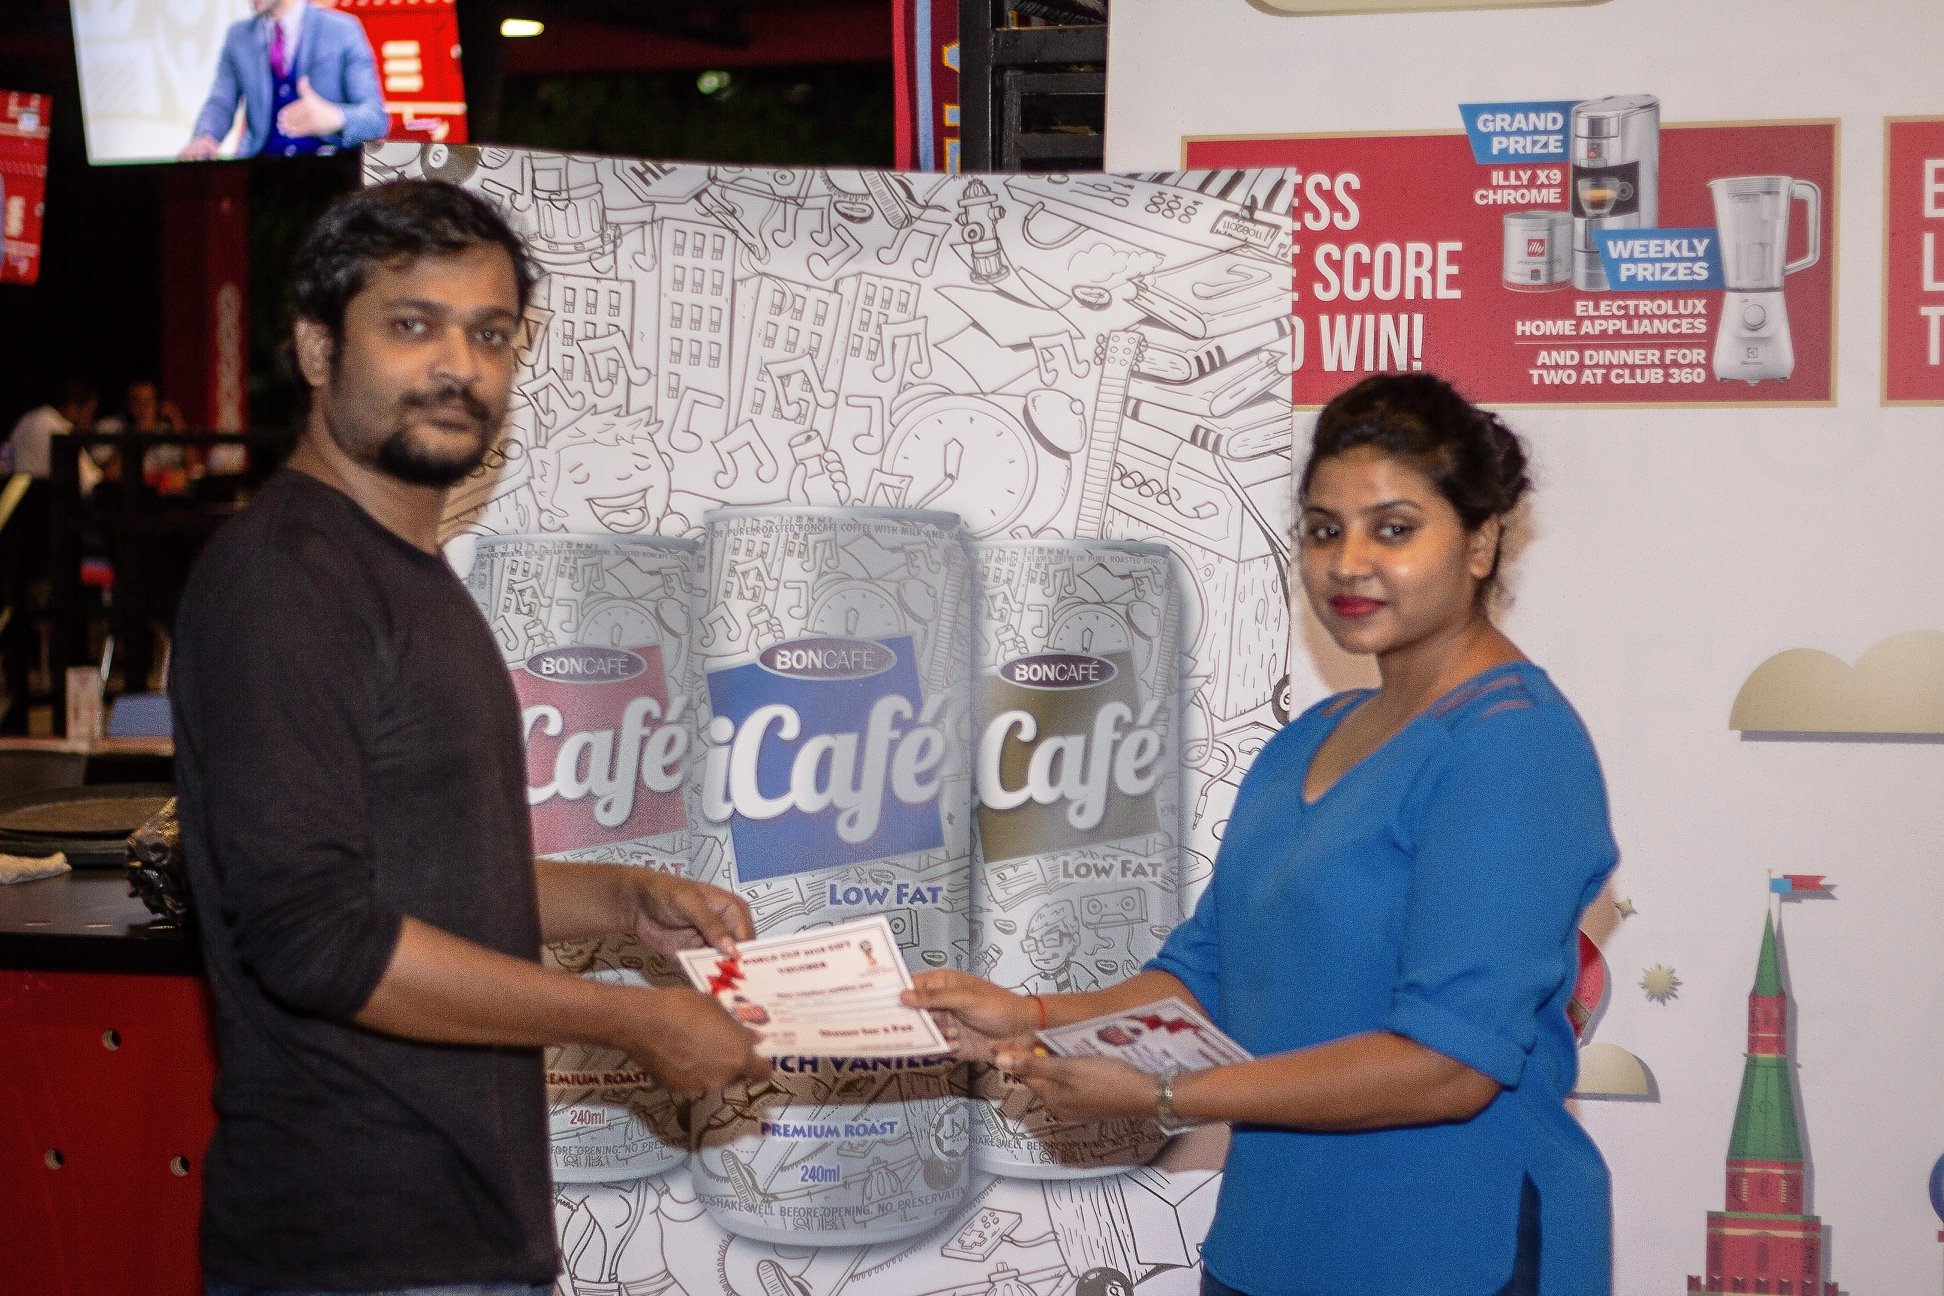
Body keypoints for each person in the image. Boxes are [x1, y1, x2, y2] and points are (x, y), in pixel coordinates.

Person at [171, 180, 768, 1296]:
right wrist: (630, 1021)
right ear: (316, 348)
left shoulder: (400, 570)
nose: (459, 366)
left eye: (490, 335)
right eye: (413, 325)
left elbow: (420, 875)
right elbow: (318, 939)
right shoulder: (287, 583)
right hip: (360, 1250)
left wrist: (617, 901)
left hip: (452, 1234)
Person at [907, 373, 1620, 1296]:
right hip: (1268, 1247)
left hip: (1449, 1251)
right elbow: (1203, 976)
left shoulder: (1512, 746)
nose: (1348, 562)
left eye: (1393, 529)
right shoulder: (1309, 740)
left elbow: (1449, 1068)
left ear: (1480, 542)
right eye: (1323, 531)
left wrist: (1165, 1098)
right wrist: (1036, 1016)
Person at [179, 0, 386, 161]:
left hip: (329, 174)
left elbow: (376, 119)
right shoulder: (239, 37)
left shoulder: (343, 30)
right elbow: (221, 103)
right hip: (261, 174)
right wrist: (205, 137)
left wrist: (336, 118)